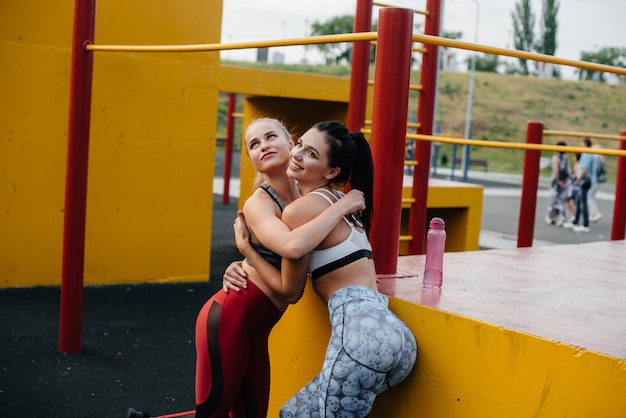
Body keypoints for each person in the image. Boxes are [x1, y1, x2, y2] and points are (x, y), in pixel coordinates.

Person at [126, 118, 365, 418]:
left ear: (292, 145)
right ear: (252, 158)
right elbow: (291, 263)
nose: (263, 145)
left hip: (259, 329)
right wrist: (246, 249)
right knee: (213, 413)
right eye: (254, 144)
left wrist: (245, 256)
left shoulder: (309, 197)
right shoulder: (259, 204)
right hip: (231, 314)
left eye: (270, 137)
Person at [229, 121, 417, 418]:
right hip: (395, 336)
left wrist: (246, 250)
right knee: (293, 414)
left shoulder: (302, 210)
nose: (298, 154)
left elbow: (290, 258)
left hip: (358, 336)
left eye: (311, 154)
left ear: (331, 173)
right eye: (301, 144)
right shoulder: (340, 201)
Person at [563, 138, 596, 233]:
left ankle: (585, 224)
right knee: (579, 201)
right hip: (586, 180)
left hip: (584, 181)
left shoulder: (586, 154)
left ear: (585, 144)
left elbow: (584, 169)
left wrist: (578, 179)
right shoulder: (590, 153)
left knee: (582, 203)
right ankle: (575, 222)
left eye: (581, 143)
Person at [544, 141, 571, 226]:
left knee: (553, 200)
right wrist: (566, 182)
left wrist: (559, 181)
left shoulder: (556, 158)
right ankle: (560, 217)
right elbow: (568, 170)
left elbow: (556, 171)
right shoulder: (566, 158)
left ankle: (552, 217)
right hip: (563, 182)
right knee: (560, 201)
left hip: (556, 183)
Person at [588, 144, 605, 223]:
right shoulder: (600, 160)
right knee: (592, 198)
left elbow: (595, 171)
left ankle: (597, 213)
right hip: (597, 181)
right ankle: (592, 215)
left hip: (594, 181)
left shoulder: (596, 160)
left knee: (590, 198)